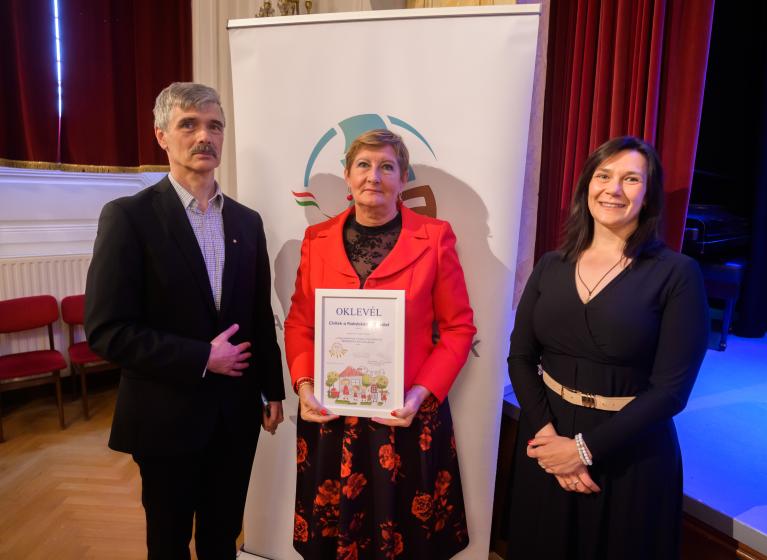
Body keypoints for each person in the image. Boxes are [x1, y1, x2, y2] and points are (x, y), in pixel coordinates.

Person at [84, 82, 285, 560]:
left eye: (214, 126)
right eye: (188, 125)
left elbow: (259, 315)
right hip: (165, 416)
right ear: (161, 136)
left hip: (235, 415)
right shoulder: (128, 218)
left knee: (222, 537)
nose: (204, 137)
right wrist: (201, 357)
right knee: (168, 542)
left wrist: (272, 389)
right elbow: (107, 330)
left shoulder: (247, 222)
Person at [507, 136, 708, 559]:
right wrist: (548, 440)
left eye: (631, 179)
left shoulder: (677, 274)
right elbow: (521, 357)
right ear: (587, 186)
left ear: (648, 194)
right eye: (603, 176)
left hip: (628, 450)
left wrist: (582, 451)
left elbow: (671, 391)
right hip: (546, 440)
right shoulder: (551, 264)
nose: (613, 189)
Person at [284, 129, 476, 559]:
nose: (374, 176)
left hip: (406, 414)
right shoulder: (316, 240)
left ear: (403, 178)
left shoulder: (435, 237)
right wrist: (304, 384)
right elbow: (299, 322)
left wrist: (420, 394)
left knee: (406, 537)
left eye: (387, 166)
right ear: (347, 176)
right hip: (331, 414)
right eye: (363, 165)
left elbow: (458, 328)